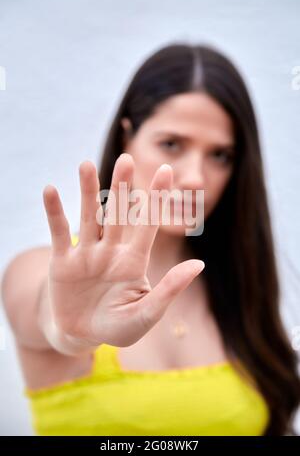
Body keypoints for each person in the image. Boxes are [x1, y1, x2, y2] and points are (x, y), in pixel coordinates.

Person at [2, 43, 300, 436]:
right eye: (172, 144)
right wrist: (71, 329)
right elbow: (50, 317)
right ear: (127, 136)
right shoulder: (43, 271)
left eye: (221, 155)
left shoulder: (237, 290)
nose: (195, 177)